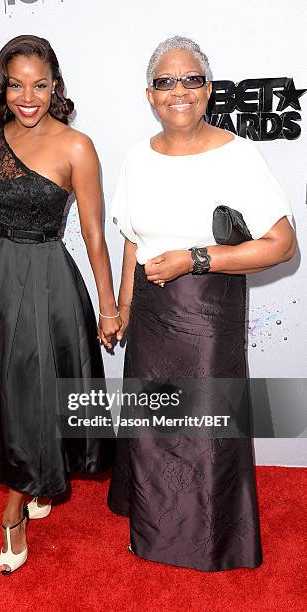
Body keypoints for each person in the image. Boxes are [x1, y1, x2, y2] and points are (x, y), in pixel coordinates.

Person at [107, 35, 296, 571]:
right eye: (166, 82)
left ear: (208, 89)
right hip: (149, 314)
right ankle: (151, 522)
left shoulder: (237, 155)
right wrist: (121, 307)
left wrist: (197, 258)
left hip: (208, 316)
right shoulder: (136, 156)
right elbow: (131, 239)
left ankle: (208, 539)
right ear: (150, 95)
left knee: (206, 428)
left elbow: (282, 244)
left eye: (191, 79)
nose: (179, 91)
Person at [0, 35, 120, 575]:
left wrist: (108, 308)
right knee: (7, 391)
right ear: (2, 87)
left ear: (55, 86)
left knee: (36, 393)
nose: (28, 96)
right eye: (16, 85)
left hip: (45, 280)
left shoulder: (77, 146)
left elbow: (92, 236)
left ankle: (15, 510)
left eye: (40, 85)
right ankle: (35, 481)